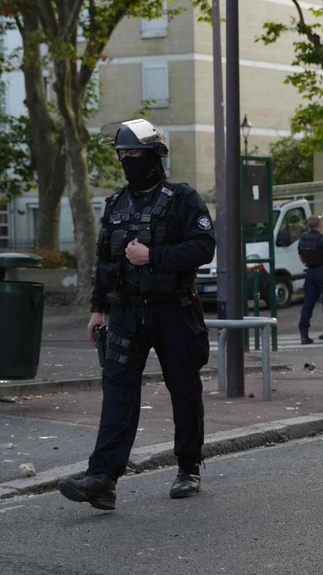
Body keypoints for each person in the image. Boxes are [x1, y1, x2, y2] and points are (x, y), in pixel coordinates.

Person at [58, 119, 216, 511]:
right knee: (117, 391)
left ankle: (188, 467)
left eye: (135, 154)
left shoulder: (183, 199)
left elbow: (203, 248)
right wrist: (98, 309)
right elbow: (105, 262)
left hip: (173, 311)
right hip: (127, 312)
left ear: (155, 155)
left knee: (183, 389)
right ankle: (103, 478)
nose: (128, 160)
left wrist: (154, 256)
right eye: (122, 154)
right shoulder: (116, 205)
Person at [295, 216, 323, 345]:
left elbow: (301, 258)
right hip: (321, 272)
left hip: (309, 272)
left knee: (308, 304)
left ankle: (304, 334)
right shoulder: (322, 240)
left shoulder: (302, 241)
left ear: (308, 227)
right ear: (319, 226)